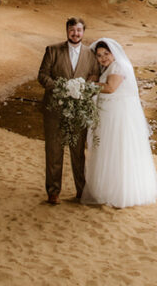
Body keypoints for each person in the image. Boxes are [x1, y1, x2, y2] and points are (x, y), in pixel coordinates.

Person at [81, 37, 157, 208]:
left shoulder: (118, 66)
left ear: (113, 53)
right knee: (108, 150)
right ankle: (107, 189)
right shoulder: (109, 67)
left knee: (118, 150)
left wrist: (87, 85)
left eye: (106, 54)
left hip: (118, 115)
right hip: (109, 113)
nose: (103, 58)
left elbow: (110, 88)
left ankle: (121, 193)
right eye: (100, 55)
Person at [37, 17, 101, 205]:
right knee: (53, 151)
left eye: (79, 30)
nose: (75, 34)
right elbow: (42, 75)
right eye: (72, 30)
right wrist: (61, 88)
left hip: (78, 110)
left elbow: (94, 74)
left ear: (83, 32)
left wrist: (83, 87)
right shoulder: (52, 50)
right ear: (67, 31)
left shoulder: (90, 54)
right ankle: (53, 192)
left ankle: (81, 191)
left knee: (78, 152)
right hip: (54, 108)